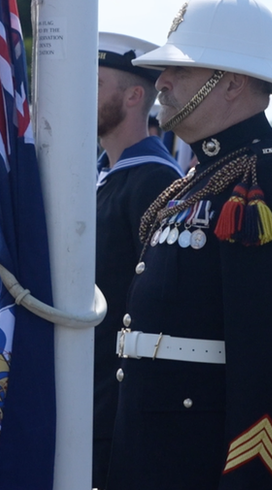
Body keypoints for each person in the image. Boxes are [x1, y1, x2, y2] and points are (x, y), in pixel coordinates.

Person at [108, 0, 272, 489]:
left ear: (231, 83)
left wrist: (250, 477)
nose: (161, 81)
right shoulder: (194, 179)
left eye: (181, 71)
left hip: (204, 463)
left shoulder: (268, 175)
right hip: (148, 451)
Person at [91, 32, 182, 489]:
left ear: (133, 96)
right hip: (88, 391)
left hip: (118, 400)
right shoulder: (101, 175)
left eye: (96, 82)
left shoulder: (154, 181)